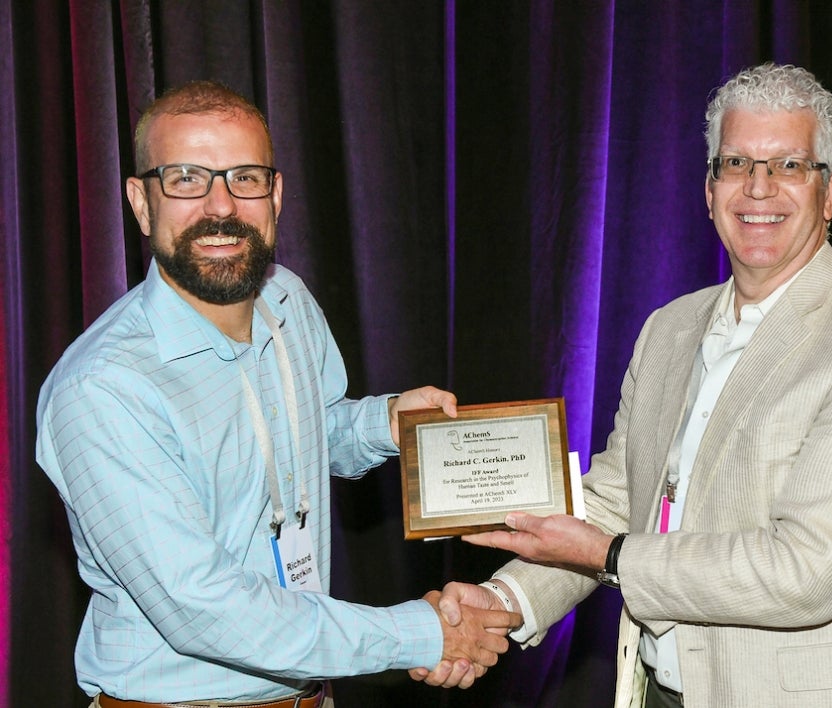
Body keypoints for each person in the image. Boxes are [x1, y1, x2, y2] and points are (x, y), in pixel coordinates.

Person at [415, 63, 832, 707]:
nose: (758, 188)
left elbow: (809, 573)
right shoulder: (669, 329)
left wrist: (609, 556)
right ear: (709, 189)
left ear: (830, 191)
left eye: (788, 166)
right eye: (736, 164)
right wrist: (500, 602)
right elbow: (617, 499)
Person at [36, 80, 520, 707]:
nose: (220, 206)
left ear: (276, 193)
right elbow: (204, 608)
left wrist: (386, 425)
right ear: (141, 201)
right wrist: (422, 635)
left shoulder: (285, 298)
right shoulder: (102, 390)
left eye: (245, 177)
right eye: (185, 178)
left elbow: (311, 435)